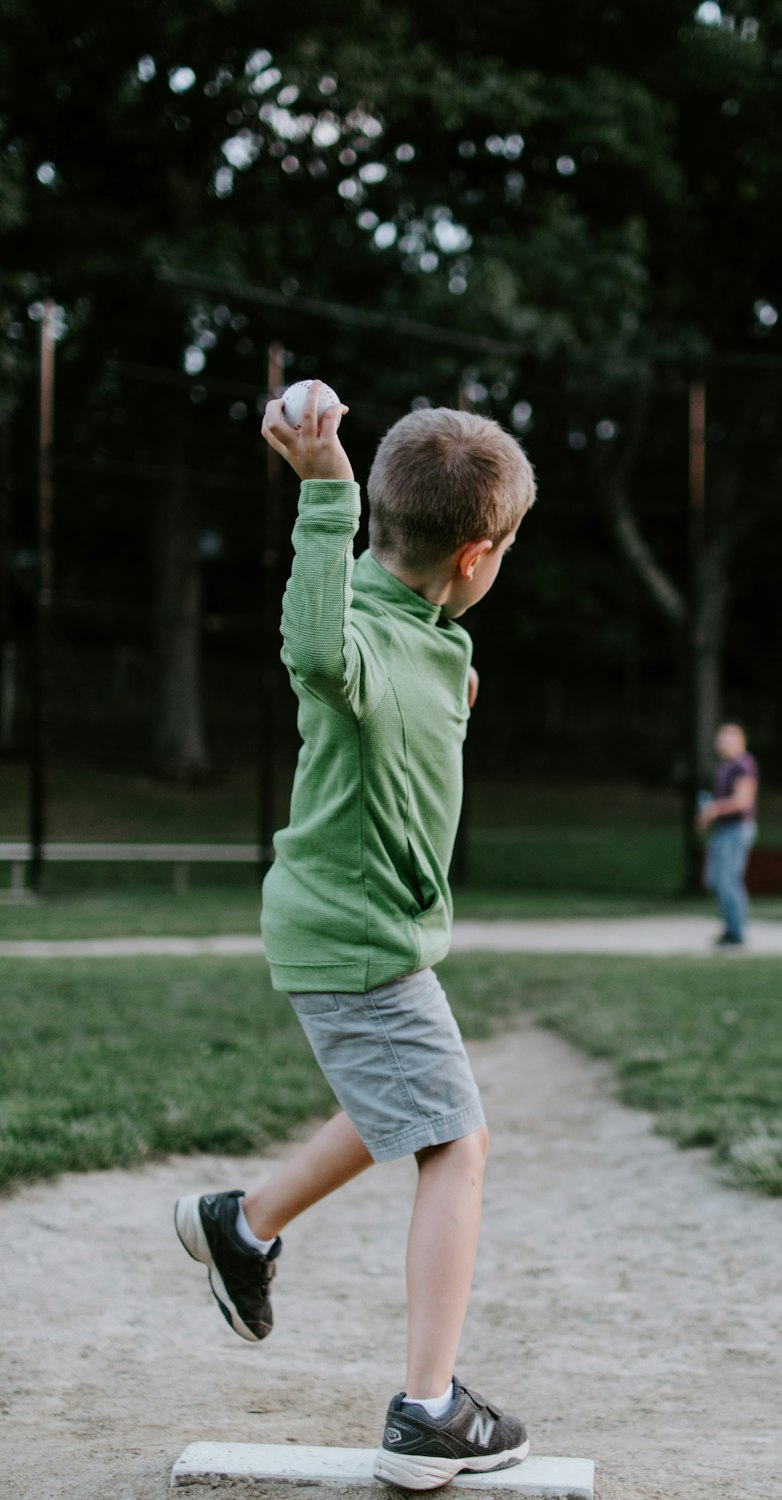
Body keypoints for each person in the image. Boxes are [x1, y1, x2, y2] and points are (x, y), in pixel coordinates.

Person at [174, 382, 536, 1492]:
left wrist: (447, 662)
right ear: (477, 555)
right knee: (454, 1143)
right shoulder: (365, 646)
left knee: (405, 1107)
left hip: (367, 932)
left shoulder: (421, 633)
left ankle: (242, 1224)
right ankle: (428, 1412)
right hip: (355, 936)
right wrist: (324, 492)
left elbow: (395, 646)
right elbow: (321, 653)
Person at [697, 722, 759, 949]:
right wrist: (709, 815)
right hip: (723, 830)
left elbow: (743, 802)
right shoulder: (724, 766)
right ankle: (729, 927)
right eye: (721, 739)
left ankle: (736, 932)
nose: (723, 743)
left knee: (729, 881)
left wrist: (715, 809)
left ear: (741, 741)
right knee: (715, 879)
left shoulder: (744, 766)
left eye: (728, 739)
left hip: (737, 830)